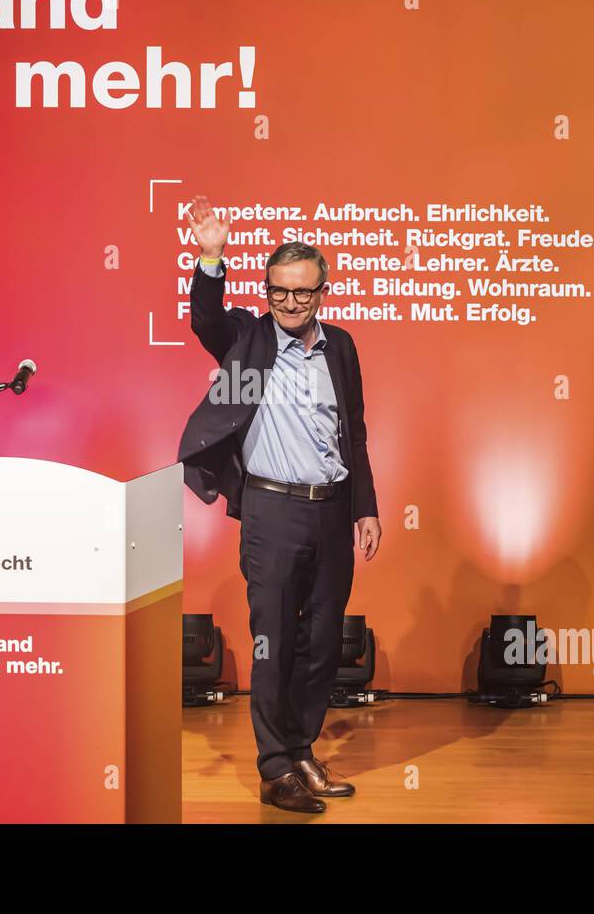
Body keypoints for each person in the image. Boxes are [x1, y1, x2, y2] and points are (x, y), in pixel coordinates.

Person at [177, 194, 382, 814]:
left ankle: (300, 749)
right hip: (271, 512)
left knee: (322, 644)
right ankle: (274, 769)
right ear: (267, 290)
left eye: (303, 293)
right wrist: (211, 255)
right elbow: (205, 322)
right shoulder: (247, 337)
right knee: (273, 640)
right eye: (279, 291)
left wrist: (365, 507)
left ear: (324, 292)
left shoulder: (340, 348)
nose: (290, 303)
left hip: (331, 509)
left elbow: (357, 432)